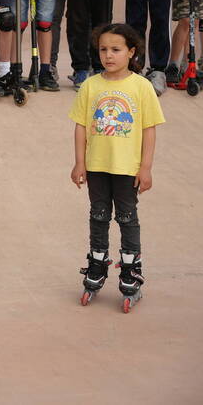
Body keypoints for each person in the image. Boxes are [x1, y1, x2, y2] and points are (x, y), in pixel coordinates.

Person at [70, 23, 163, 306]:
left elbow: (149, 129)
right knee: (98, 215)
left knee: (126, 218)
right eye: (103, 50)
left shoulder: (141, 86)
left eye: (116, 49)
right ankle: (97, 265)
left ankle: (131, 272)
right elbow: (81, 126)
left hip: (127, 168)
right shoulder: (90, 85)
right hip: (97, 165)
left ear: (131, 52)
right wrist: (79, 163)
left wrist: (145, 167)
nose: (108, 55)